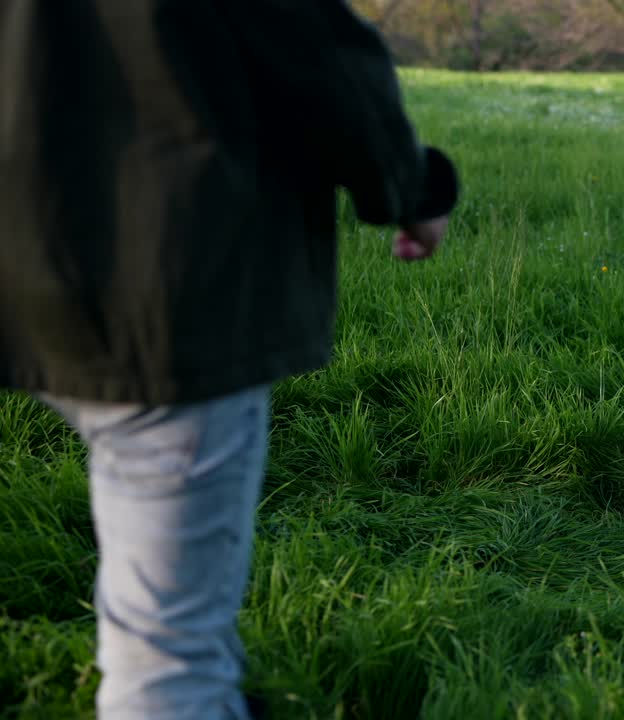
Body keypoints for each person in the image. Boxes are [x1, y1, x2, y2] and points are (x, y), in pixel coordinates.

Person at [0, 2, 458, 718]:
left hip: (25, 255)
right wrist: (412, 186)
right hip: (164, 288)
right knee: (168, 662)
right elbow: (308, 45)